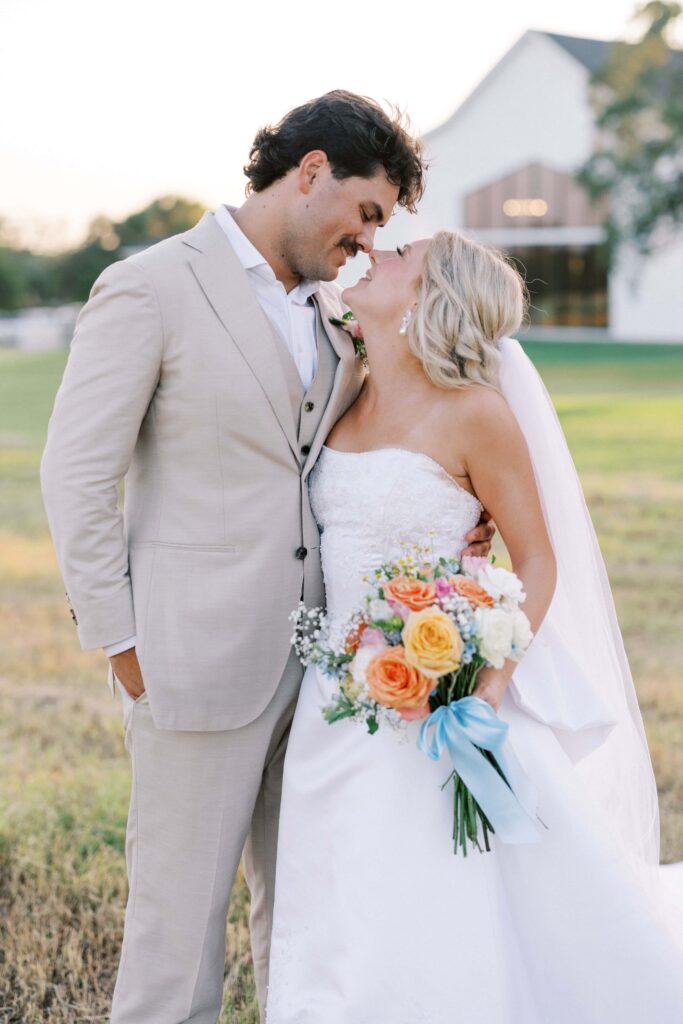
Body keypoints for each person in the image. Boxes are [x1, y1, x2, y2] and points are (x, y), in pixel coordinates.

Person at [39, 92, 495, 1023]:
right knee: (177, 933)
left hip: (333, 678)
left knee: (306, 920)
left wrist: (464, 518)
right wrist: (121, 643)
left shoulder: (338, 315)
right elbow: (75, 476)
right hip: (188, 661)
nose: (369, 244)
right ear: (312, 170)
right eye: (366, 213)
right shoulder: (152, 285)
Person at [265, 231, 683, 1023]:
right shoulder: (342, 387)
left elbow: (535, 559)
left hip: (447, 702)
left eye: (400, 258)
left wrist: (482, 688)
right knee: (346, 891)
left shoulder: (475, 415)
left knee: (449, 898)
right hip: (339, 695)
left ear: (427, 300)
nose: (375, 253)